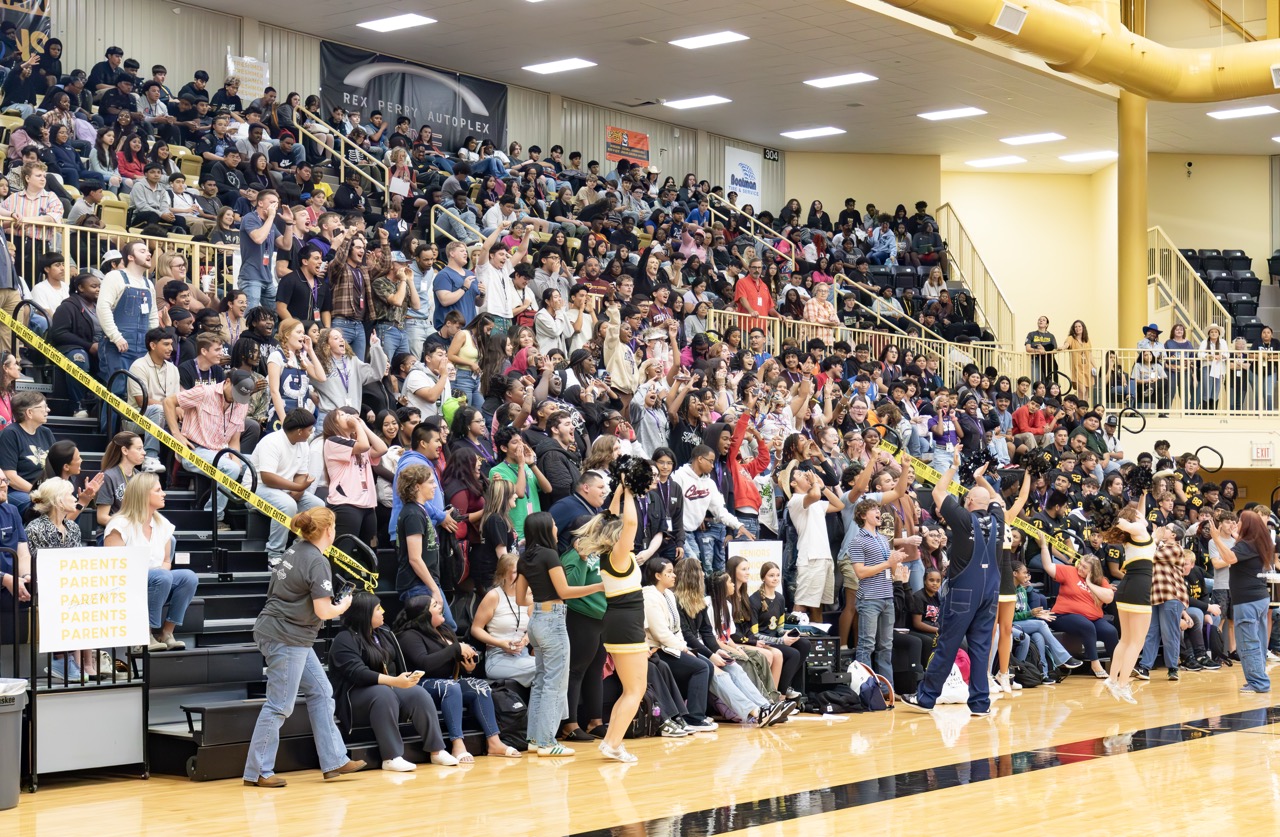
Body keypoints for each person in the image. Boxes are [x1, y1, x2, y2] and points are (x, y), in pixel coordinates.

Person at [243, 508, 365, 787]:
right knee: (279, 705)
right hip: (286, 635)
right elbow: (323, 611)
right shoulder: (316, 560)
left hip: (282, 631)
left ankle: (334, 759)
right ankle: (258, 771)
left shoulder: (295, 549)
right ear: (328, 530)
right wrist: (344, 605)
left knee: (322, 692)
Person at [901, 461, 1006, 715]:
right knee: (981, 648)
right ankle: (980, 703)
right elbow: (997, 500)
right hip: (990, 593)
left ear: (969, 501)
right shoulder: (999, 518)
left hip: (963, 594)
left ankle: (926, 698)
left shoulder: (963, 518)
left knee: (947, 645)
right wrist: (981, 479)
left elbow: (938, 493)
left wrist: (953, 467)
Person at [328, 592, 457, 771]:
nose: (383, 611)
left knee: (417, 692)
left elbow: (397, 666)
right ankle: (391, 757)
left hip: (386, 691)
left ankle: (436, 750)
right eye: (377, 608)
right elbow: (358, 673)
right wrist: (394, 682)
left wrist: (407, 678)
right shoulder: (344, 639)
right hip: (353, 698)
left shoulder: (384, 633)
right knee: (383, 692)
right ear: (365, 613)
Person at [516, 512, 604, 757]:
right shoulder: (550, 555)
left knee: (541, 682)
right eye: (554, 524)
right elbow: (564, 590)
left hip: (536, 621)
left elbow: (521, 599)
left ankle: (534, 738)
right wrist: (599, 585)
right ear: (546, 529)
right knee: (555, 684)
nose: (557, 528)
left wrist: (541, 597)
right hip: (553, 620)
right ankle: (546, 742)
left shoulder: (524, 559)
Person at [394, 595, 522, 761]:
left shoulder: (444, 630)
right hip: (420, 685)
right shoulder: (409, 635)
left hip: (447, 682)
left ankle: (494, 742)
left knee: (480, 685)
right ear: (424, 614)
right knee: (450, 686)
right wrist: (455, 648)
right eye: (434, 605)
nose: (440, 606)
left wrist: (466, 667)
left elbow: (449, 661)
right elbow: (424, 664)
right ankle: (457, 744)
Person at [103, 473, 198, 654]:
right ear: (143, 494)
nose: (163, 493)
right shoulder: (120, 524)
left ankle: (166, 633)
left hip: (156, 581)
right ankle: (143, 636)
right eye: (158, 490)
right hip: (125, 584)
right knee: (161, 576)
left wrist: (162, 577)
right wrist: (158, 577)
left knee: (188, 577)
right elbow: (113, 567)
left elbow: (165, 561)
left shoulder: (163, 523)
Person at [164, 371, 256, 528]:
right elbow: (168, 402)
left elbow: (235, 439)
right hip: (195, 449)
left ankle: (252, 510)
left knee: (258, 464)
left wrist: (237, 459)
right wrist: (176, 434)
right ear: (227, 382)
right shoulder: (204, 392)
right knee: (232, 469)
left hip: (223, 451)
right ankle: (212, 517)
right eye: (236, 393)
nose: (237, 398)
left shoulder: (242, 403)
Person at [641, 555, 719, 735]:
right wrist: (683, 649)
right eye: (669, 572)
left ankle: (687, 714)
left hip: (672, 646)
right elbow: (660, 633)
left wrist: (685, 647)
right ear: (658, 575)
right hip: (658, 648)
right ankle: (694, 717)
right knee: (700, 667)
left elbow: (676, 629)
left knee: (707, 665)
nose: (674, 575)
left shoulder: (668, 594)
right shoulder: (649, 596)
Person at [1208, 512, 1274, 694]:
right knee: (1258, 641)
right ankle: (1259, 679)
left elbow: (1229, 558)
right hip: (1259, 599)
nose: (1236, 524)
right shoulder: (1259, 542)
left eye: (1240, 522)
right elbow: (1237, 546)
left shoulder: (1246, 545)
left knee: (1247, 642)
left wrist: (1216, 538)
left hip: (1248, 602)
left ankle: (1258, 683)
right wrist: (1232, 534)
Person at [98, 241, 158, 431]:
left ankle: (128, 438)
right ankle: (107, 438)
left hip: (141, 348)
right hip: (117, 347)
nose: (148, 254)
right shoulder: (115, 277)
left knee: (138, 392)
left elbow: (153, 316)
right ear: (130, 257)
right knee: (117, 390)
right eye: (142, 251)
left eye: (148, 251)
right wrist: (116, 336)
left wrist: (152, 343)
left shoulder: (149, 283)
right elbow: (103, 307)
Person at [1102, 504, 1156, 704]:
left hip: (1126, 587)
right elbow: (1128, 523)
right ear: (1135, 518)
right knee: (1136, 641)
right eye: (1139, 514)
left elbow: (1134, 522)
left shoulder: (1135, 536)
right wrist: (1122, 520)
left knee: (1125, 640)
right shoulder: (1139, 530)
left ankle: (1112, 679)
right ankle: (1122, 685)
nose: (1144, 515)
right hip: (1139, 589)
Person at [254, 409, 323, 562]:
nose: (312, 433)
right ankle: (273, 554)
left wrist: (297, 489)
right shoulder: (271, 441)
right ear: (299, 431)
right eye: (310, 430)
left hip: (285, 489)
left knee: (319, 507)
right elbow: (267, 477)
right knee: (287, 505)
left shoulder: (303, 444)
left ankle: (300, 550)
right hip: (256, 488)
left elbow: (300, 474)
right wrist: (297, 487)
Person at [322, 407, 387, 545]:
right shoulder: (332, 441)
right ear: (334, 423)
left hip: (367, 505)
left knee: (369, 552)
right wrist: (357, 425)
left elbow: (382, 448)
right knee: (344, 552)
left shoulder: (358, 442)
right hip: (346, 504)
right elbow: (363, 446)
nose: (347, 416)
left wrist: (363, 426)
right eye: (342, 415)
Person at [471, 551, 536, 687]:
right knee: (544, 669)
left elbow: (533, 625)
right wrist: (500, 643)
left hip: (522, 654)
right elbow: (476, 629)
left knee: (550, 670)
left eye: (520, 572)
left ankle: (541, 709)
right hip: (498, 656)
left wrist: (525, 640)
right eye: (514, 572)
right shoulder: (494, 596)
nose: (518, 576)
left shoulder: (528, 594)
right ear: (503, 575)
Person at [788, 467, 845, 623]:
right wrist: (814, 484)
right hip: (810, 557)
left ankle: (818, 641)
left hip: (824, 557)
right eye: (800, 474)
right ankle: (793, 638)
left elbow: (839, 505)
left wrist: (823, 487)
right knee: (802, 602)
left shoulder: (817, 502)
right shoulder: (796, 500)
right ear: (793, 483)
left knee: (817, 604)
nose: (806, 474)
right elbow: (814, 494)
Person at [0, 392, 55, 513]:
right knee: (43, 505)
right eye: (44, 407)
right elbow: (10, 477)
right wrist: (39, 494)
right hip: (18, 491)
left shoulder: (46, 433)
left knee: (70, 504)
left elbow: (56, 465)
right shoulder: (10, 434)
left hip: (45, 490)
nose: (48, 410)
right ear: (29, 412)